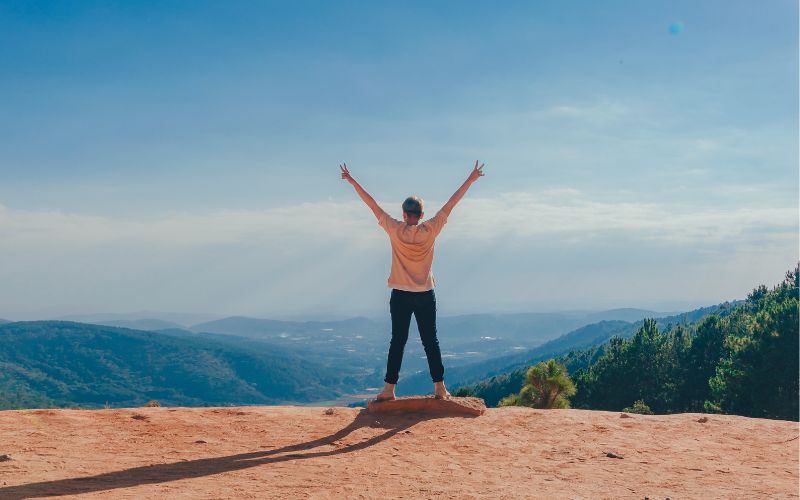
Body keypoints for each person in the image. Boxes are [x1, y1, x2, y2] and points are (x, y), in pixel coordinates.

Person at [340, 160, 485, 401]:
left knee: (398, 341)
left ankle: (389, 389)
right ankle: (440, 388)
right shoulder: (431, 229)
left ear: (404, 214)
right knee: (431, 341)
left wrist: (352, 181)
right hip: (425, 293)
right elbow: (452, 203)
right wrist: (470, 179)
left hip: (400, 294)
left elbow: (372, 204)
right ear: (422, 215)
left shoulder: (394, 229)